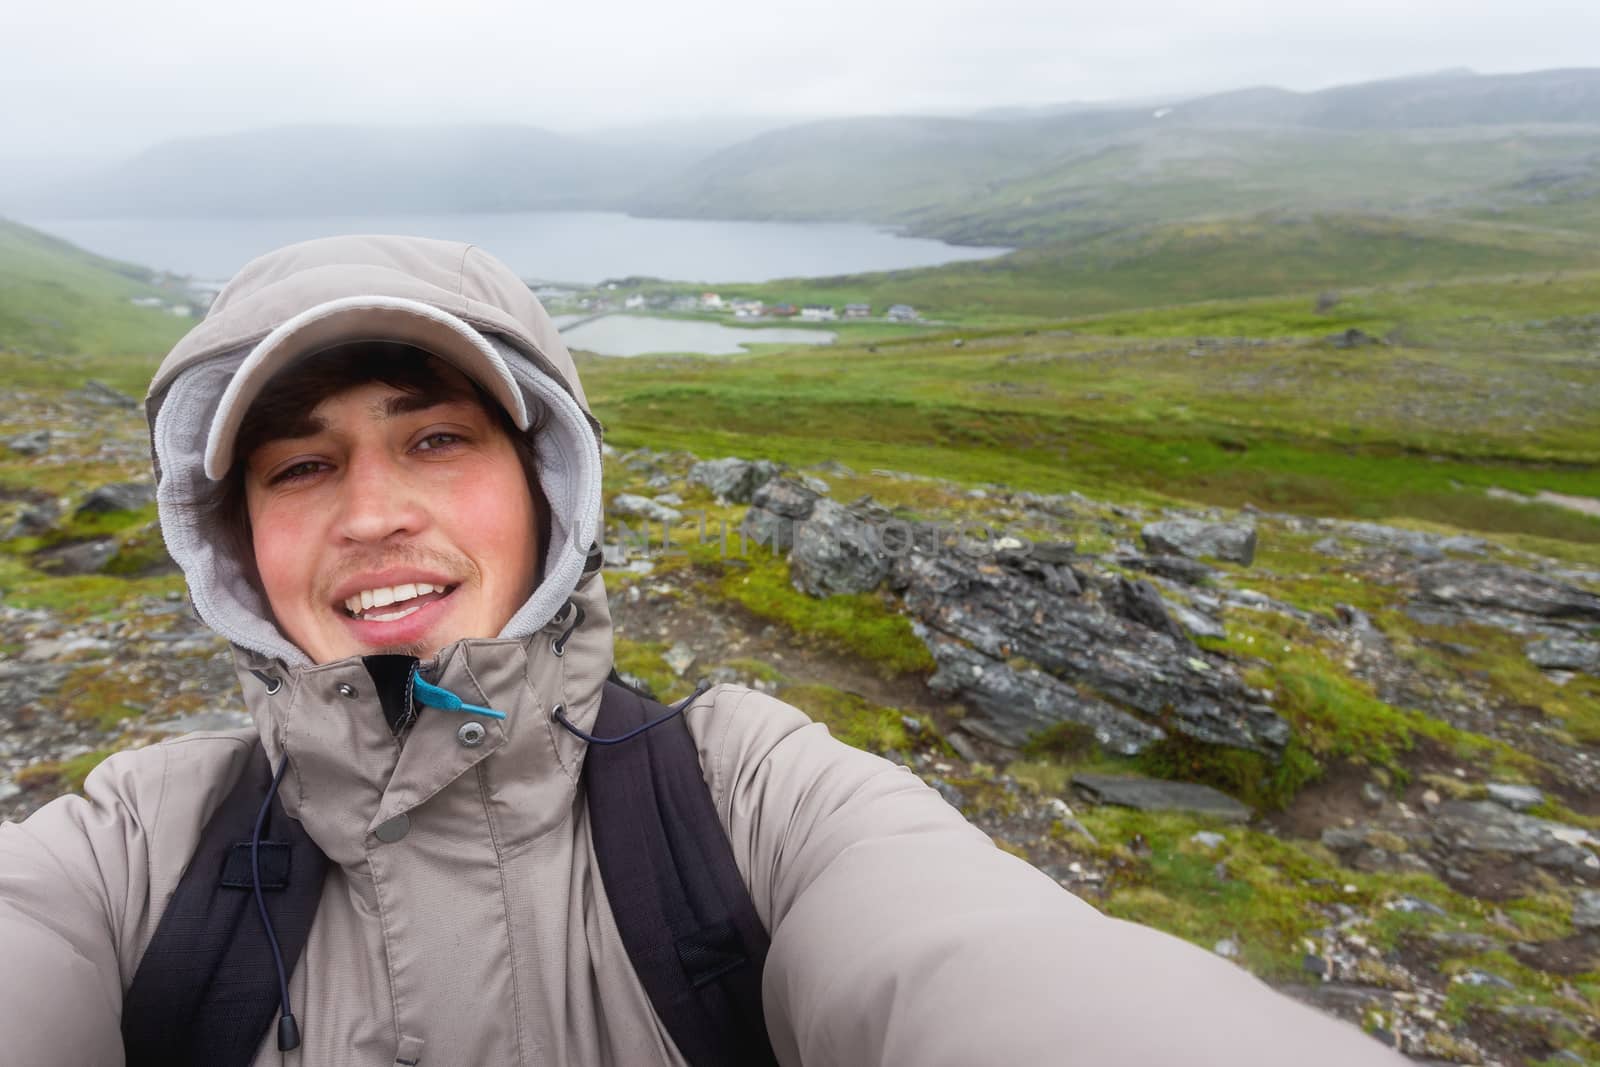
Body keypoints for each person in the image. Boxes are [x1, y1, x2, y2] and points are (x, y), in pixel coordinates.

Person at [0, 235, 1406, 1066]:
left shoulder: (749, 800)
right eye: (299, 467)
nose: (374, 513)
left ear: (551, 488)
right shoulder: (137, 847)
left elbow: (995, 970)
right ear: (234, 540)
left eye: (438, 437)